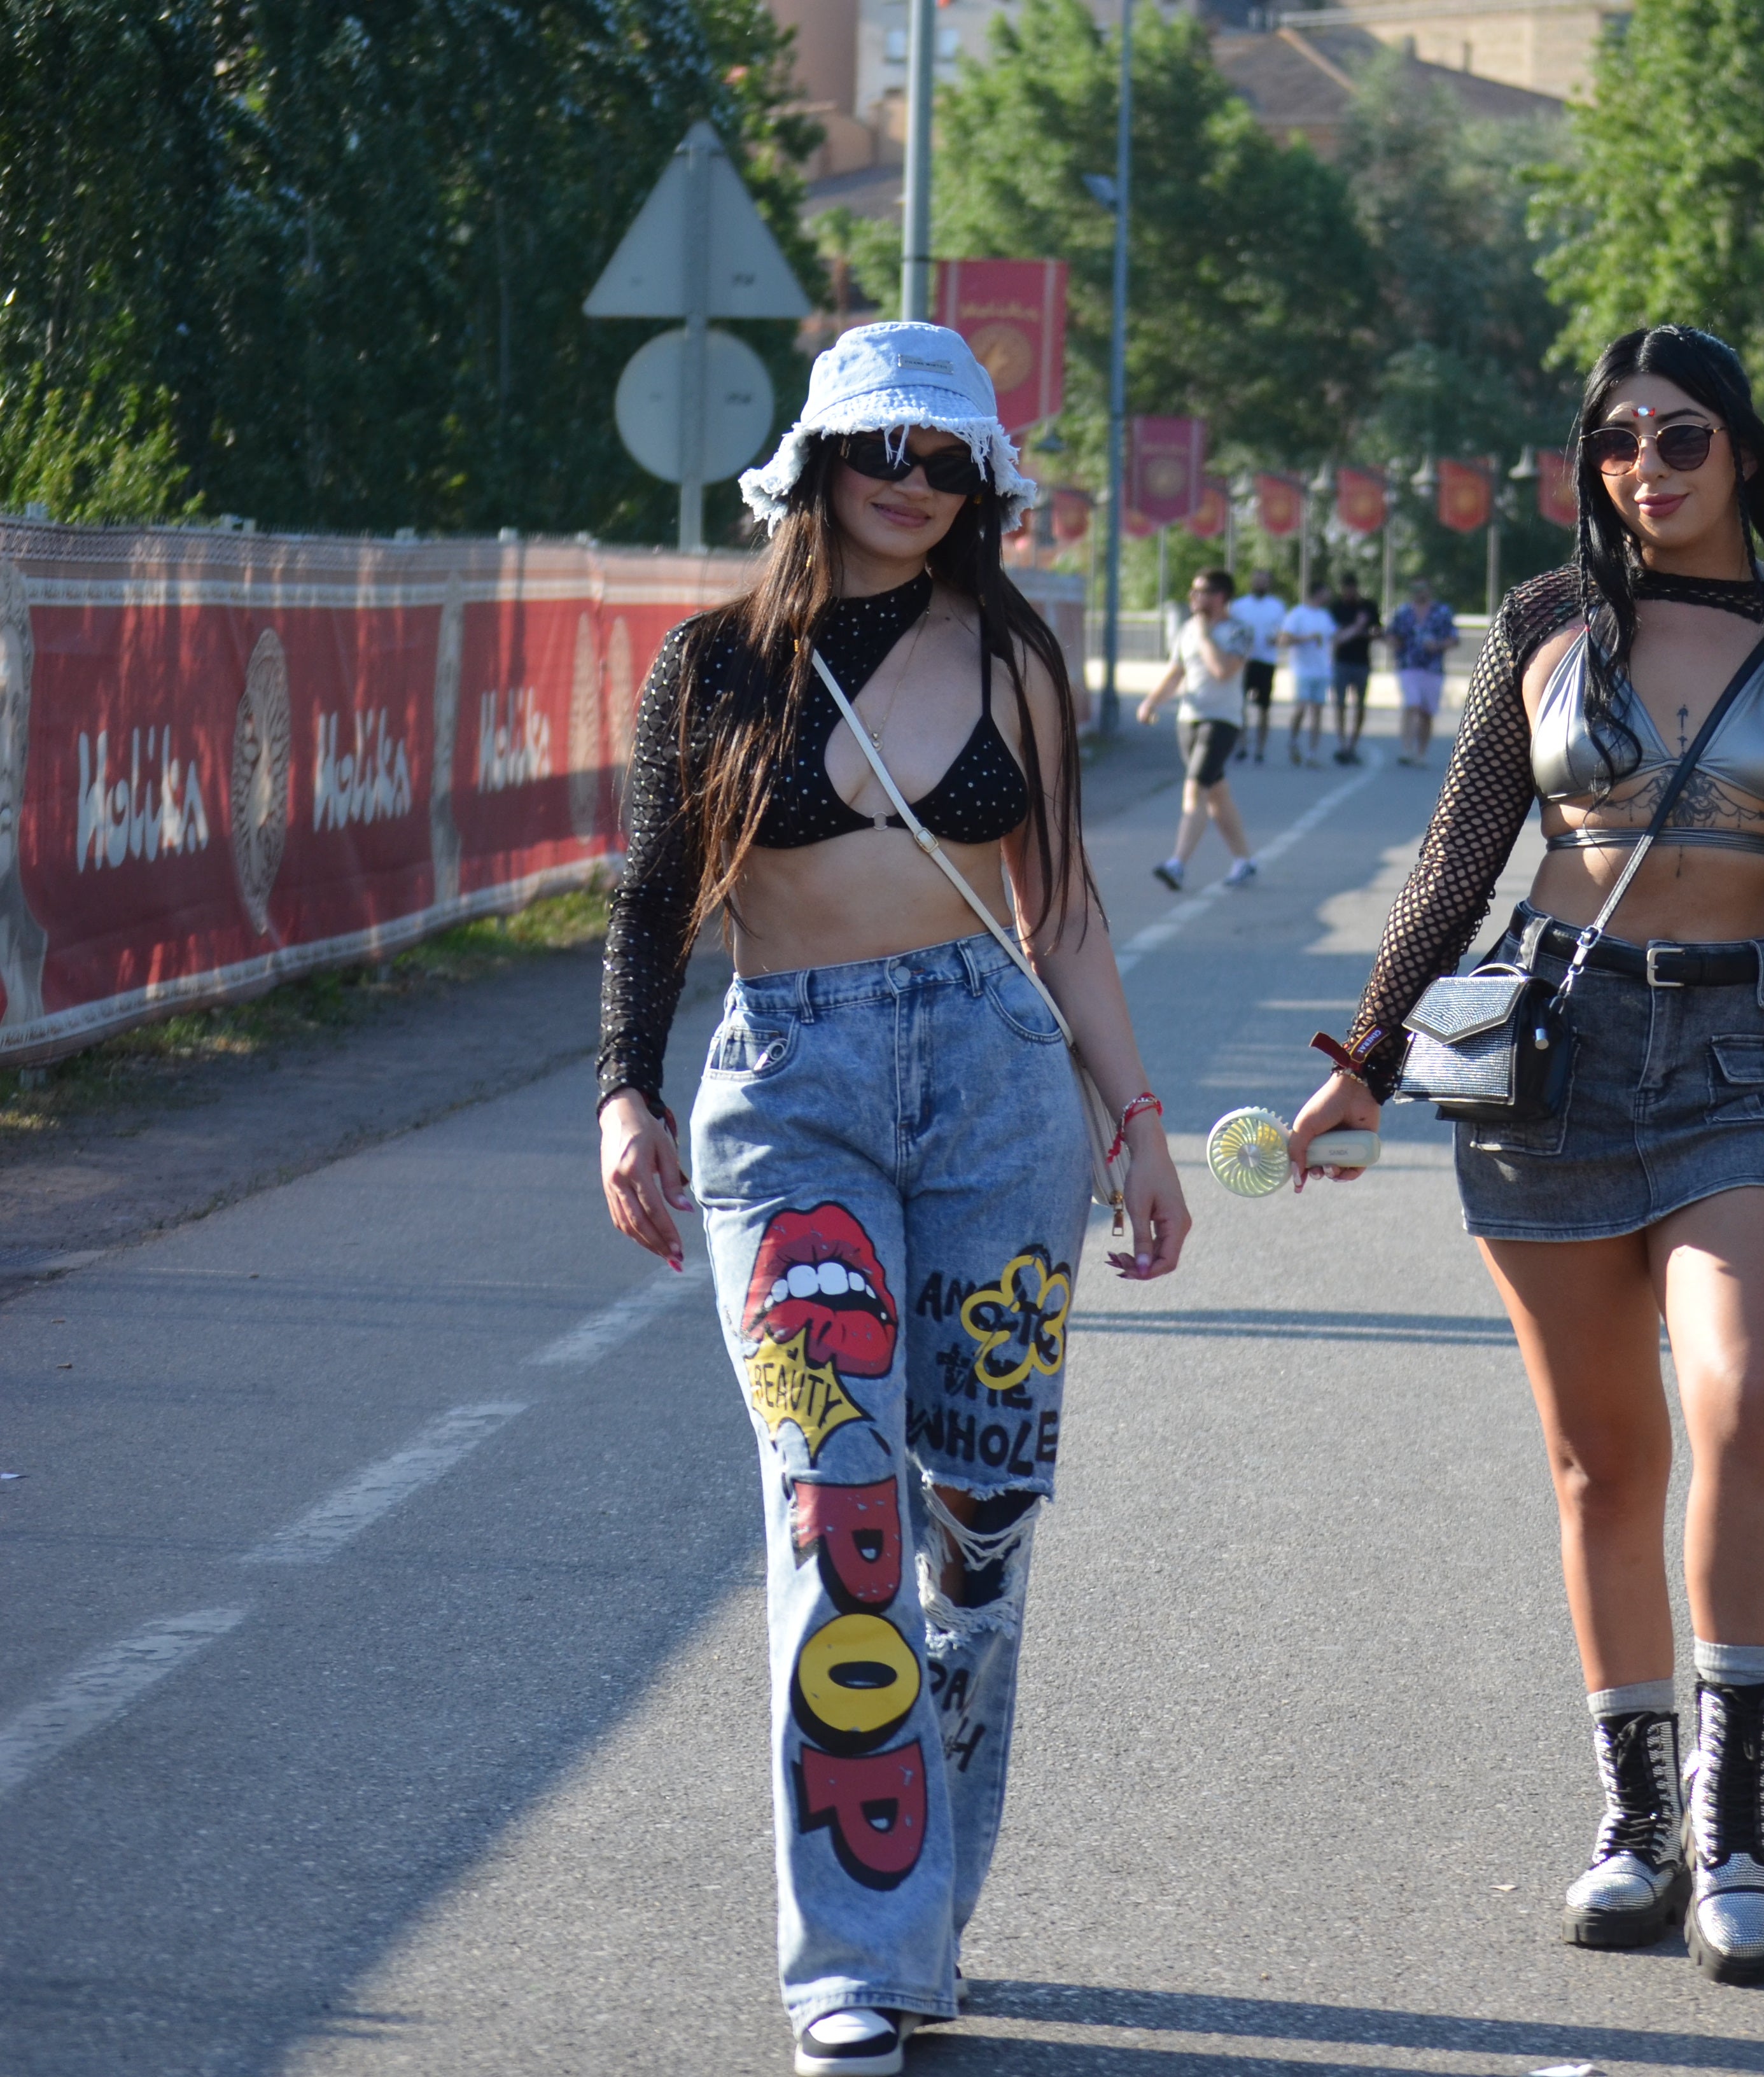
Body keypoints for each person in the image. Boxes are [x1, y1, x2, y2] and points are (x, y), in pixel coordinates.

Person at [1288, 326, 1764, 1986]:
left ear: (1743, 447)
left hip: (1743, 1054)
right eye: (1616, 442)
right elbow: (1460, 856)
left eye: (1677, 438)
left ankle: (1738, 1827)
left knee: (1740, 1400)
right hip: (1553, 1067)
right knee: (1600, 1458)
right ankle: (1637, 1820)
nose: (1644, 469)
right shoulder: (1541, 626)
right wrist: (1368, 1055)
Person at [594, 322, 1193, 2076]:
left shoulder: (1016, 654)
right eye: (885, 450)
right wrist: (623, 1092)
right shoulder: (713, 666)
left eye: (946, 462)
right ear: (820, 458)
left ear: (980, 486)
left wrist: (1136, 1121)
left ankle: (924, 1916)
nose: (912, 485)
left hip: (1001, 1088)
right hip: (793, 1099)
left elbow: (1063, 910)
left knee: (977, 1538)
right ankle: (850, 1949)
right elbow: (647, 905)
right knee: (838, 1516)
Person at [1136, 567, 1262, 891]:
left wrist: (1206, 634)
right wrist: (1151, 702)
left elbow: (1223, 671)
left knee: (1195, 788)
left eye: (1201, 591)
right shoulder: (1188, 629)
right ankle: (1244, 861)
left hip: (1222, 721)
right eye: (1193, 591)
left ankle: (1177, 864)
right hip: (1188, 720)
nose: (1193, 597)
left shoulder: (1239, 631)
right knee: (1217, 794)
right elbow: (1176, 673)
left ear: (1220, 597)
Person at [1387, 577, 1455, 766]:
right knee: (1412, 704)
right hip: (1409, 666)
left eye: (1422, 588)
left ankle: (1421, 753)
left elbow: (1453, 638)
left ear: (1429, 590)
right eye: (1415, 589)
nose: (1419, 592)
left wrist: (1439, 645)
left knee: (1427, 712)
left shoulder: (1442, 612)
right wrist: (1395, 645)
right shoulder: (1403, 612)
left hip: (1433, 669)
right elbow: (1392, 635)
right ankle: (1406, 749)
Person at [1278, 583, 1340, 765]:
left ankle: (1313, 753)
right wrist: (1307, 638)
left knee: (1318, 711)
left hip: (1322, 670)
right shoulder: (1298, 614)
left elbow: (1334, 637)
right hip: (1303, 669)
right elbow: (1283, 639)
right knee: (1301, 708)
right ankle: (1294, 740)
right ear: (1317, 594)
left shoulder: (1325, 616)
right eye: (1325, 592)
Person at [1228, 575, 1287, 761]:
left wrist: (1277, 639)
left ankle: (1260, 749)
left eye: (1264, 581)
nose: (1261, 584)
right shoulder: (1239, 606)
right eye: (1258, 581)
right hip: (1244, 661)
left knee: (1264, 707)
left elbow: (1282, 632)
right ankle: (1242, 744)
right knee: (1240, 705)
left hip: (1267, 660)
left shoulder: (1277, 606)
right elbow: (1232, 631)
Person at [1327, 581, 1378, 764]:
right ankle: (1342, 745)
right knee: (1340, 704)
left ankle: (1352, 745)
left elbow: (1377, 631)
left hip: (1362, 663)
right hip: (1342, 662)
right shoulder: (1337, 609)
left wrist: (1364, 631)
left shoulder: (1368, 607)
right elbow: (1336, 637)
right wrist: (1357, 628)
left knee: (1360, 706)